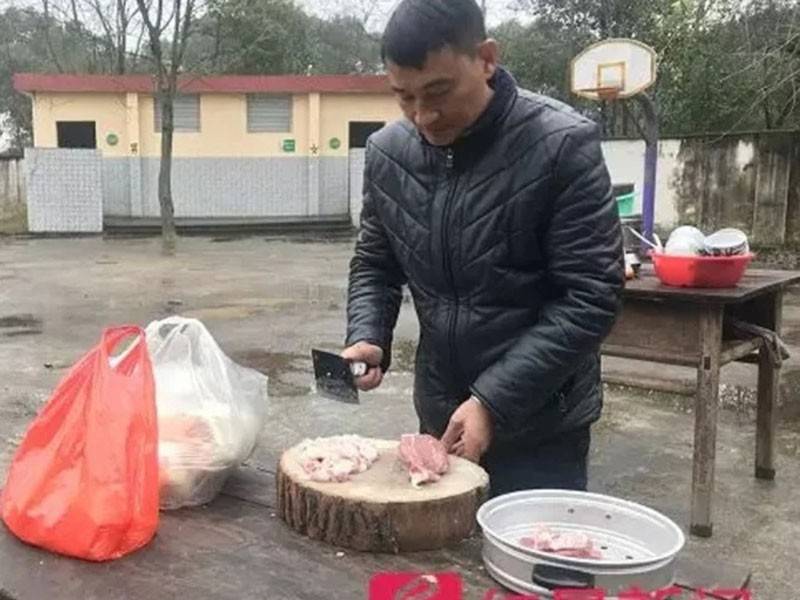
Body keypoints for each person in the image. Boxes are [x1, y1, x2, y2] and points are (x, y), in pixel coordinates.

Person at [341, 0, 625, 497]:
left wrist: (492, 401)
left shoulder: (561, 145)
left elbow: (591, 297)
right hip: (440, 413)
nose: (423, 116)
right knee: (442, 546)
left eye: (439, 92)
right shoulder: (389, 153)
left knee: (535, 545)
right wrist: (368, 333)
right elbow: (375, 264)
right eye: (404, 97)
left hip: (541, 425)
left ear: (487, 59)